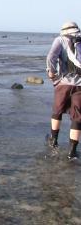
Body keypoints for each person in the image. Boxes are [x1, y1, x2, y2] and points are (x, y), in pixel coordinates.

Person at [47, 21, 81, 159]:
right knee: (77, 117)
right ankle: (72, 152)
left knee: (57, 111)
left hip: (64, 82)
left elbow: (51, 57)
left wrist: (51, 73)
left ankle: (53, 141)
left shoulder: (60, 40)